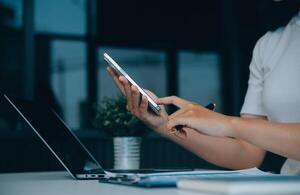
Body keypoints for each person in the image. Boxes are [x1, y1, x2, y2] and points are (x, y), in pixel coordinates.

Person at [107, 9, 300, 175]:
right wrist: (164, 124)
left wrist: (226, 123)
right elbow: (248, 154)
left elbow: (235, 128)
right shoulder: (269, 45)